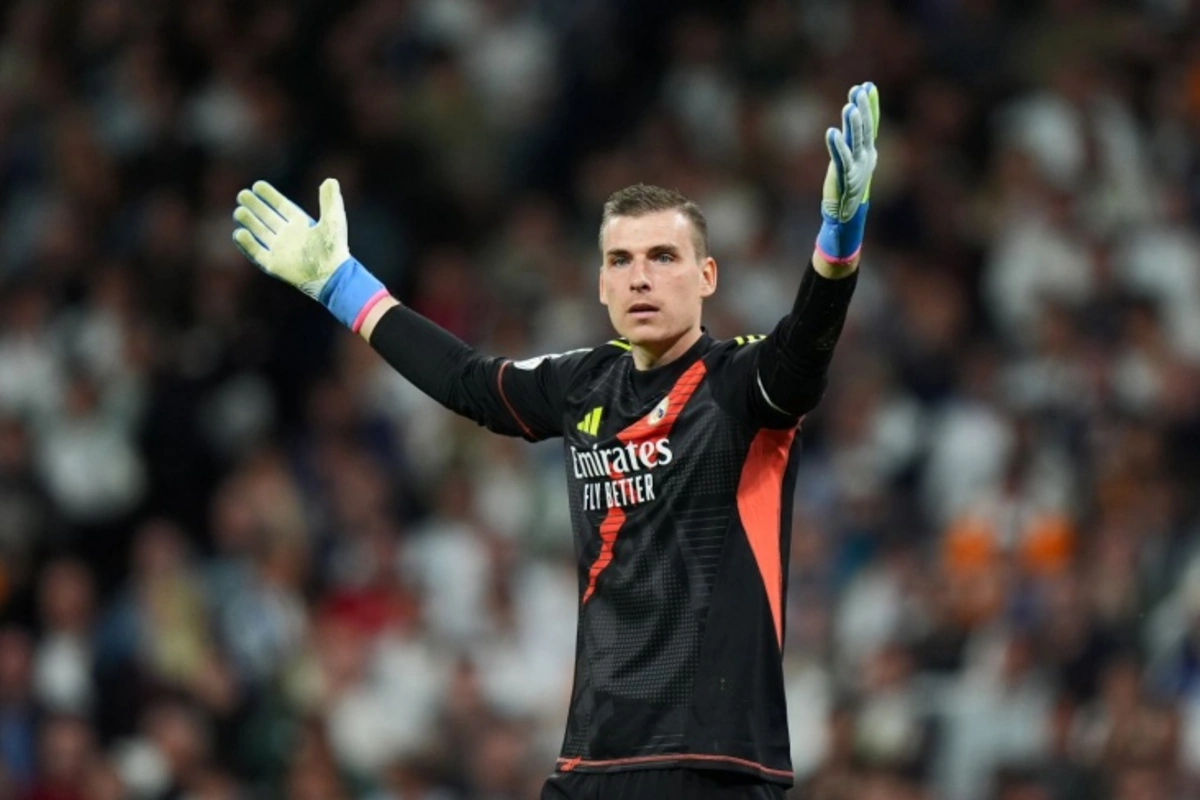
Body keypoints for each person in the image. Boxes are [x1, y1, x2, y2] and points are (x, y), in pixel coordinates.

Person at [232, 82, 880, 800]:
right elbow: (470, 383)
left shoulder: (740, 384)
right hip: (592, 765)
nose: (640, 277)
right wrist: (342, 285)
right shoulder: (583, 383)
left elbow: (805, 350)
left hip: (714, 764)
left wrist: (838, 243)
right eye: (621, 260)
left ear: (707, 277)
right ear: (601, 284)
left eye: (663, 257)